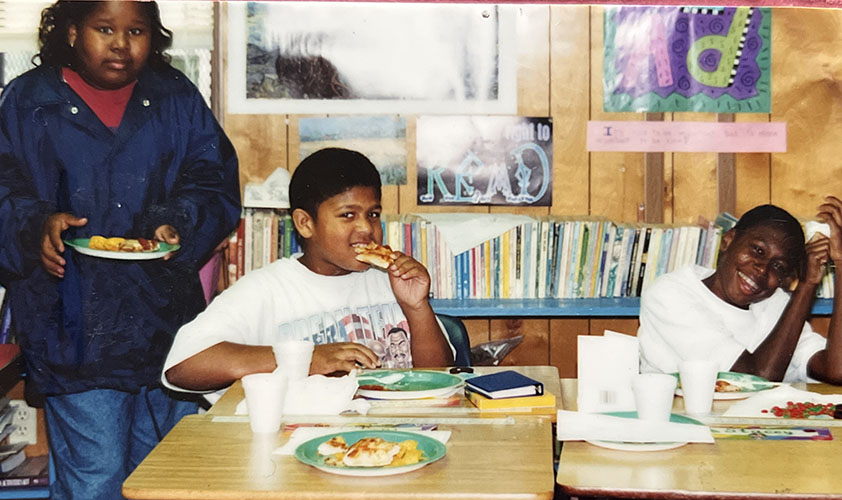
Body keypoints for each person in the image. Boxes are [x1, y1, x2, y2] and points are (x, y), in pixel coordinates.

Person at [0, 1, 241, 499]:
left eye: (136, 31)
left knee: (166, 478)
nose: (120, 44)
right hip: (72, 329)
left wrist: (178, 222)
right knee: (97, 479)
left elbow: (213, 181)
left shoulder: (174, 96)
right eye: (104, 29)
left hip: (164, 324)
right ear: (71, 31)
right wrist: (36, 226)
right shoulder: (27, 100)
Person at [163, 147, 453, 393]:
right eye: (347, 215)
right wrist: (303, 358)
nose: (366, 228)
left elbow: (440, 378)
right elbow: (181, 367)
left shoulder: (389, 281)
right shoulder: (266, 289)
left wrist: (416, 307)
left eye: (373, 214)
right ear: (305, 223)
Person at [638, 202, 842, 384]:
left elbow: (837, 371)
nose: (762, 270)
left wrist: (840, 264)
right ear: (728, 240)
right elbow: (755, 380)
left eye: (778, 267)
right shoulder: (670, 294)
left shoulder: (777, 304)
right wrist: (806, 286)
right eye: (758, 251)